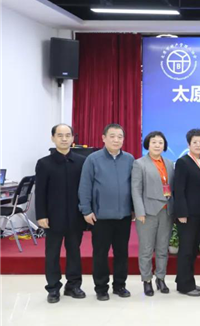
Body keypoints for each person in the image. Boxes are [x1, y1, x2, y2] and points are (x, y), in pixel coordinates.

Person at [79, 123, 135, 301]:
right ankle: (101, 288)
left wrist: (134, 209)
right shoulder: (93, 159)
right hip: (100, 216)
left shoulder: (129, 159)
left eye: (120, 136)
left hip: (124, 216)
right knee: (100, 254)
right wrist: (86, 210)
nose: (116, 140)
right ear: (103, 138)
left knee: (121, 253)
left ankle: (120, 285)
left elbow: (134, 186)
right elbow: (85, 186)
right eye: (112, 136)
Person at [35, 124, 86, 303]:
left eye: (67, 135)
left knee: (74, 251)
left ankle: (73, 285)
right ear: (53, 138)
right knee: (52, 253)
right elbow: (40, 192)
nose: (64, 139)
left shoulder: (81, 161)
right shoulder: (44, 163)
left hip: (75, 216)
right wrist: (41, 215)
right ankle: (53, 288)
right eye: (60, 135)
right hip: (52, 217)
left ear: (73, 138)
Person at [131, 131, 174, 297]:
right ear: (147, 144)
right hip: (147, 212)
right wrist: (139, 211)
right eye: (154, 142)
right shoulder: (139, 163)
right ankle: (147, 280)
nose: (157, 145)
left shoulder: (169, 163)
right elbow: (136, 189)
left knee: (163, 248)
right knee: (146, 249)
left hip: (167, 211)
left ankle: (160, 278)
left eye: (160, 142)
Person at [173, 129, 200, 297]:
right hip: (187, 214)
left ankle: (185, 279)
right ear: (189, 144)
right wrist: (181, 213)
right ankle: (185, 286)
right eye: (195, 142)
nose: (198, 145)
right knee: (186, 249)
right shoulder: (183, 162)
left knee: (193, 249)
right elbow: (178, 190)